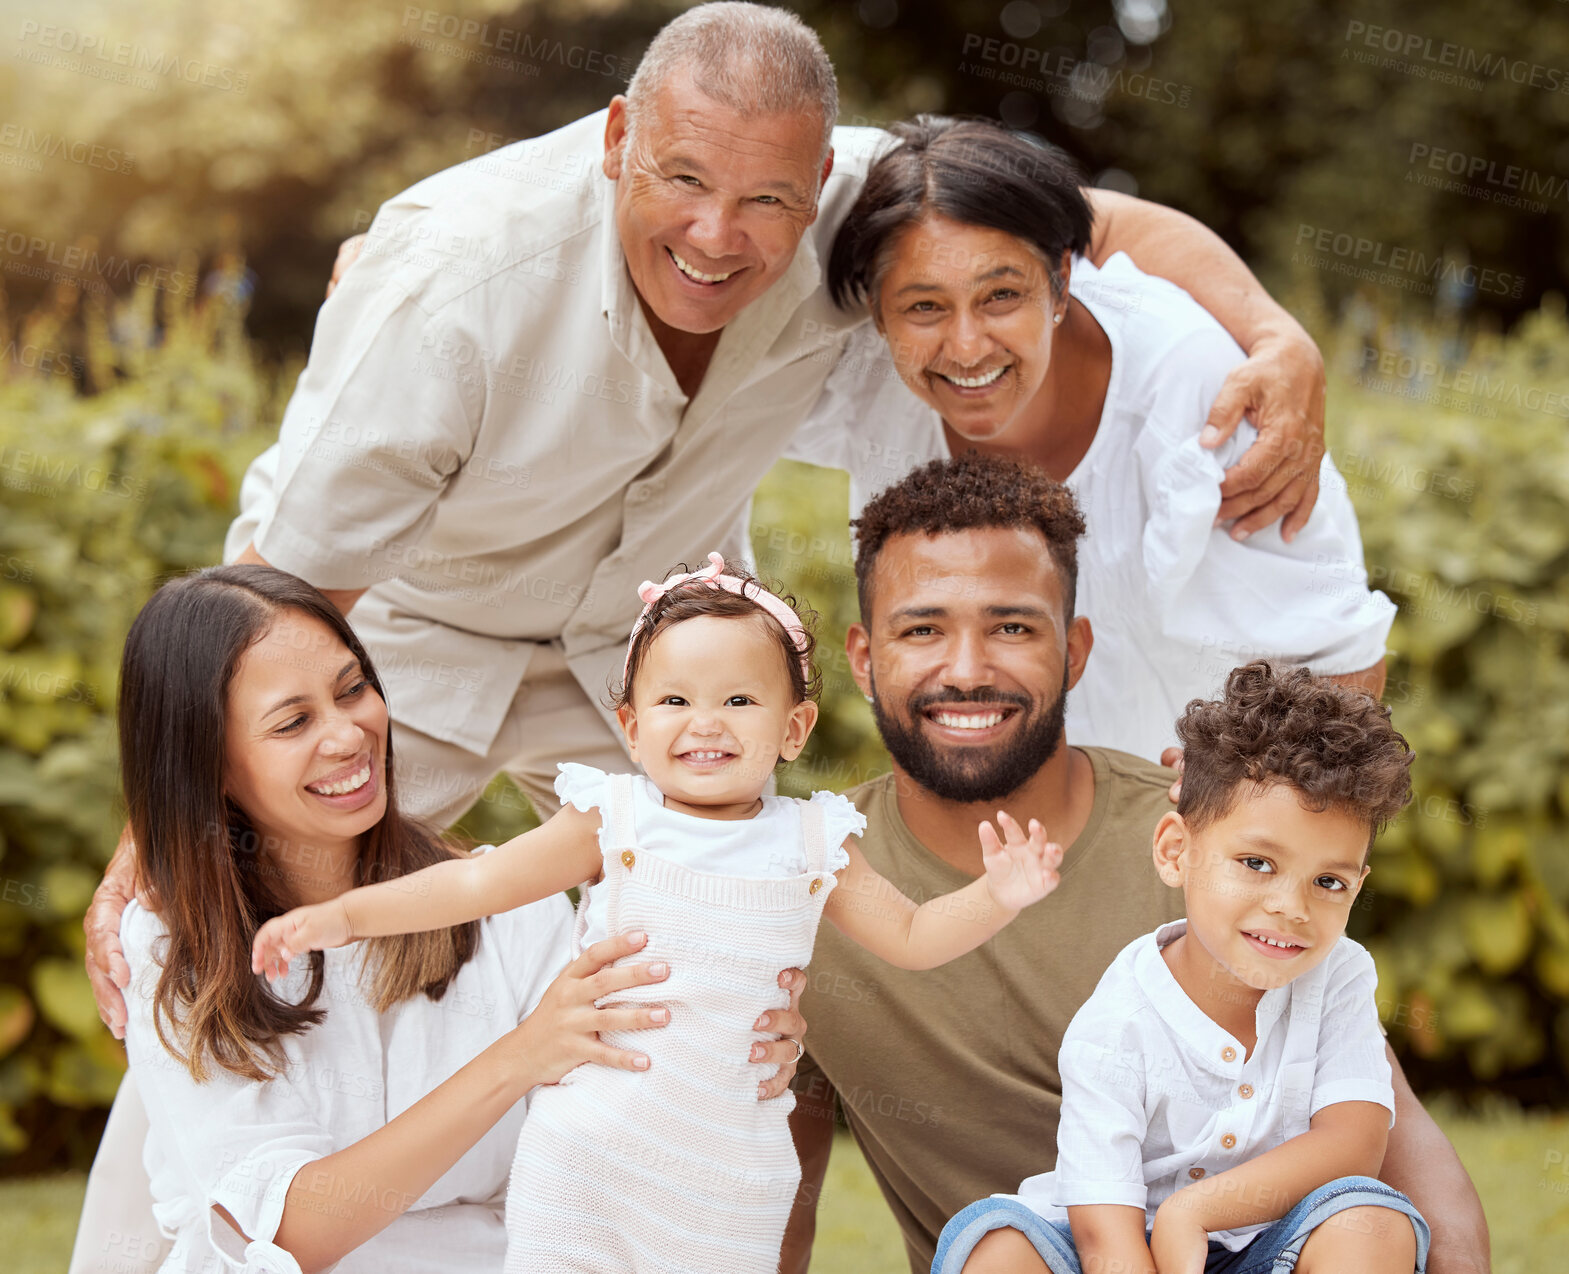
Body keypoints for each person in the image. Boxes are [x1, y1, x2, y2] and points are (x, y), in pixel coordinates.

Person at [83, 2, 1338, 1254]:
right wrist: (173, 819)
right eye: (681, 179)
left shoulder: (847, 187)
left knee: (714, 949)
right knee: (216, 922)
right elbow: (282, 592)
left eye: (764, 203)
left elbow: (1095, 219)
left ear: (816, 185)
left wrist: (1279, 336)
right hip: (424, 635)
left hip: (643, 657)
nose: (717, 234)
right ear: (619, 137)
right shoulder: (456, 290)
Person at [249, 553, 1062, 1273]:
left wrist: (997, 894)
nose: (704, 721)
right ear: (633, 729)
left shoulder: (814, 841)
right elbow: (471, 887)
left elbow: (913, 938)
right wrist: (345, 919)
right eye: (675, 699)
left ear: (793, 727)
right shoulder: (614, 820)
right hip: (591, 1146)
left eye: (739, 699)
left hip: (728, 1165)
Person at [780, 457, 1491, 1274]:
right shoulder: (807, 873)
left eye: (1012, 627)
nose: (968, 668)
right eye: (922, 629)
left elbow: (1380, 1130)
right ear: (863, 657)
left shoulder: (1220, 836)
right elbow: (771, 1161)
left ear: (1074, 651)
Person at [110, 564, 682, 1273]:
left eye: (354, 689)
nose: (349, 735)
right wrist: (521, 1056)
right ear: (211, 765)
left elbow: (616, 1138)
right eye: (293, 722)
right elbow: (292, 1232)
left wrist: (739, 1037)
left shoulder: (507, 904)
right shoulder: (169, 947)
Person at [794, 115, 1393, 763]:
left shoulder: (1201, 393)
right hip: (1018, 829)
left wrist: (1249, 829)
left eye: (1000, 295)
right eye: (924, 307)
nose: (966, 348)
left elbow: (1341, 666)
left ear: (1059, 280)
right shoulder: (862, 388)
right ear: (876, 316)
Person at [933, 662, 1430, 1274]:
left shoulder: (1342, 974)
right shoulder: (1117, 1022)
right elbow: (1101, 1234)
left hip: (1272, 1245)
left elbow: (1353, 1145)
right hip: (1114, 1248)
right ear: (1176, 852)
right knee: (994, 1247)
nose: (1290, 908)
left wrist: (1192, 1212)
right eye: (1255, 863)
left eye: (1329, 881)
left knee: (1371, 1224)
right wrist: (1161, 1230)